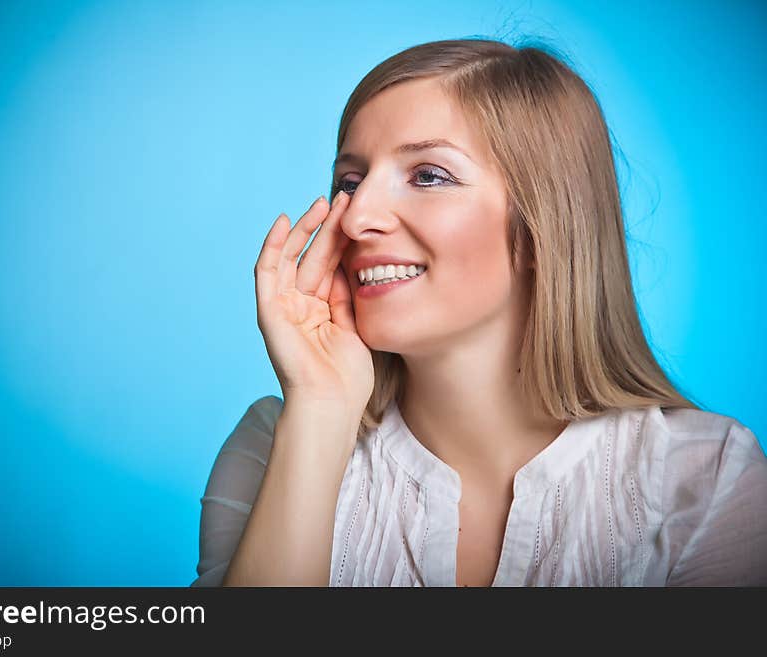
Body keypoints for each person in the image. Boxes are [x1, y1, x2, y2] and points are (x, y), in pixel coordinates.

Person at [191, 38, 767, 586]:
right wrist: (319, 410)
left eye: (428, 176)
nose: (356, 216)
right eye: (351, 180)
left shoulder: (705, 477)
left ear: (543, 228)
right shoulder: (273, 444)